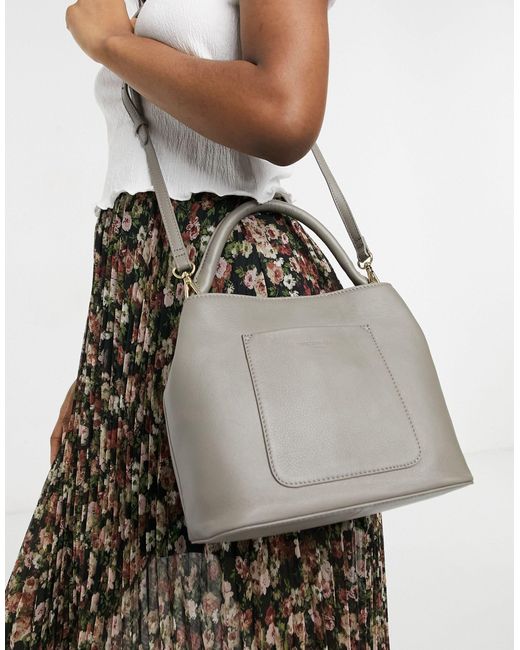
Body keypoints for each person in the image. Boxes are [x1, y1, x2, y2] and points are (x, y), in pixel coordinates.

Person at [5, 0, 390, 646]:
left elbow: (286, 110)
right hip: (140, 318)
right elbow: (140, 179)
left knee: (240, 597)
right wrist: (100, 366)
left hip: (238, 305)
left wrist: (113, 46)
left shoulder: (116, 32)